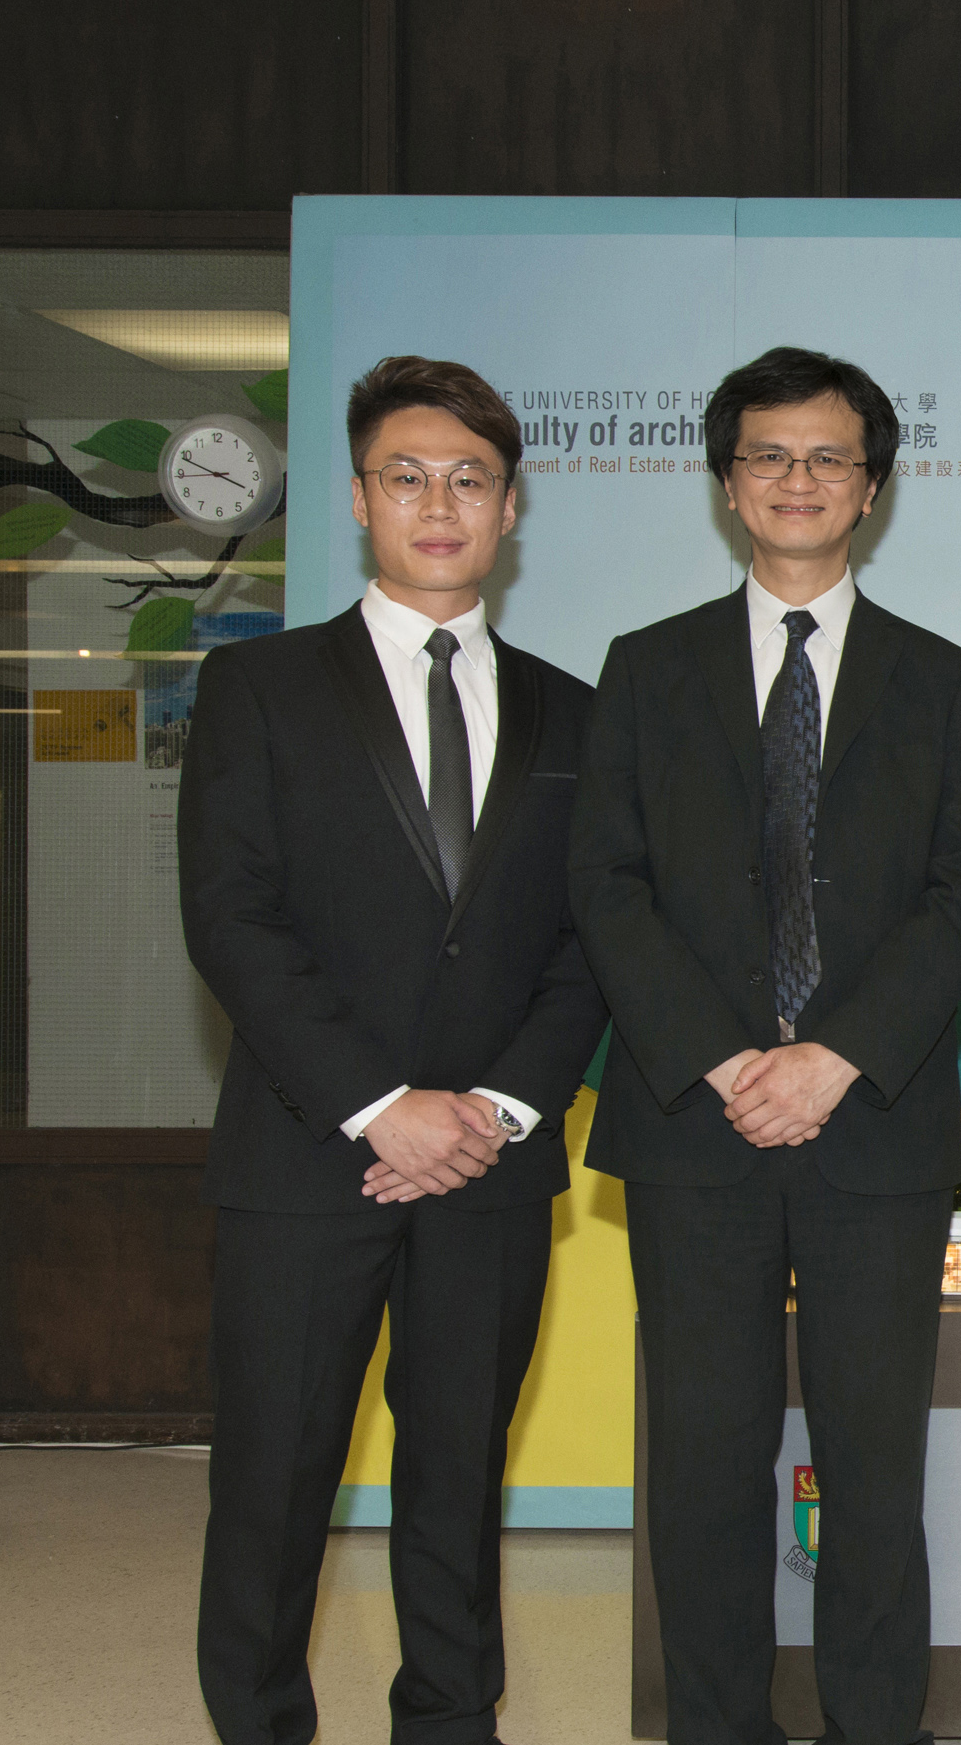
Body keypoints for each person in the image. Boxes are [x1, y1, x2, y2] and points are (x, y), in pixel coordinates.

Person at [570, 346, 961, 1745]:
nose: (797, 479)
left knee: (873, 1466)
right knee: (704, 1463)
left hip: (872, 1126)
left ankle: (875, 1724)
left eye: (828, 458)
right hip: (693, 1127)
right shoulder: (646, 669)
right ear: (727, 483)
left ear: (871, 490)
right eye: (769, 455)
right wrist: (723, 1057)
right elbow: (607, 884)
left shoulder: (942, 681)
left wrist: (832, 1056)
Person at [180, 355, 608, 1745]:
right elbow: (231, 919)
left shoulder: (576, 712)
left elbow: (590, 941)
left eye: (469, 479)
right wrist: (380, 1104)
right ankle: (259, 1724)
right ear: (361, 498)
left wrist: (496, 1106)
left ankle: (449, 1719)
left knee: (458, 1478)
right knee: (273, 1478)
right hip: (309, 1156)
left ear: (510, 507)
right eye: (407, 476)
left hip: (491, 1164)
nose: (439, 504)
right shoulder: (258, 687)